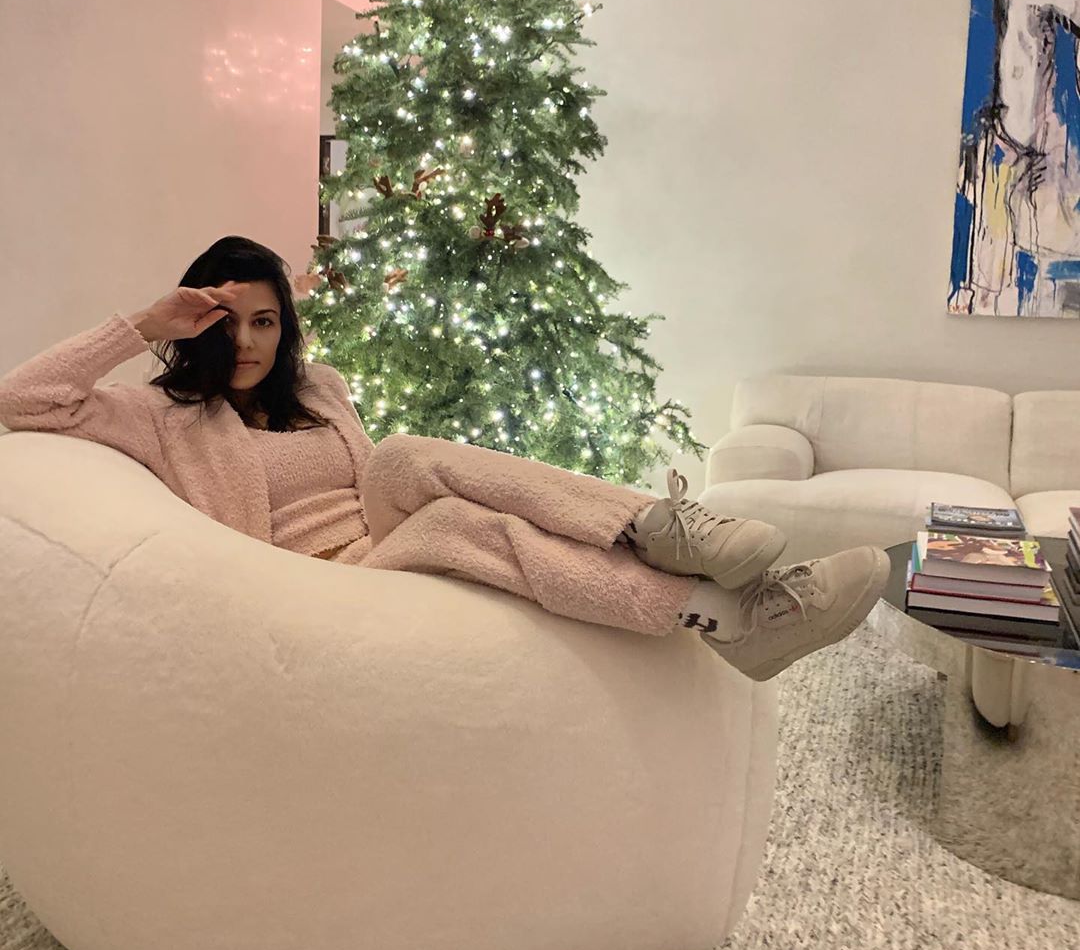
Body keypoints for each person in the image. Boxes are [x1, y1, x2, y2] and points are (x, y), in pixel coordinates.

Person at [0, 235, 889, 682]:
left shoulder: (319, 388)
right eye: (226, 321)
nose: (247, 341)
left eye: (265, 321)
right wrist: (143, 324)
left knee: (401, 458)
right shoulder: (161, 416)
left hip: (382, 533)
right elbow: (22, 402)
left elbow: (376, 480)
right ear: (195, 324)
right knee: (459, 524)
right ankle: (729, 617)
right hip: (316, 583)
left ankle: (660, 529)